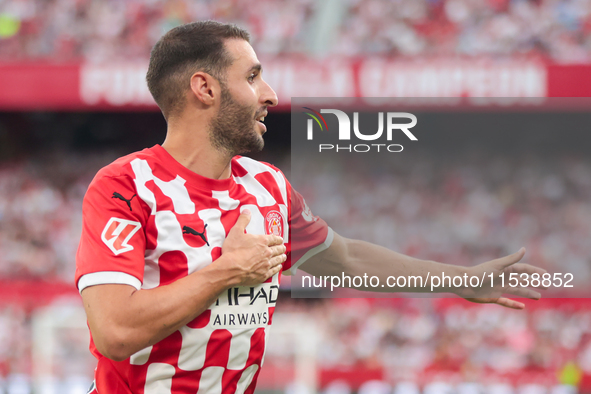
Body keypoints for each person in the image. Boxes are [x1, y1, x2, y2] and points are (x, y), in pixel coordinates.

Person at [75, 21, 545, 394]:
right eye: (253, 76)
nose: (271, 95)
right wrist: (227, 271)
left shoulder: (267, 186)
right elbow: (115, 330)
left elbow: (345, 260)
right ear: (205, 88)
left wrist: (457, 280)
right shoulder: (125, 185)